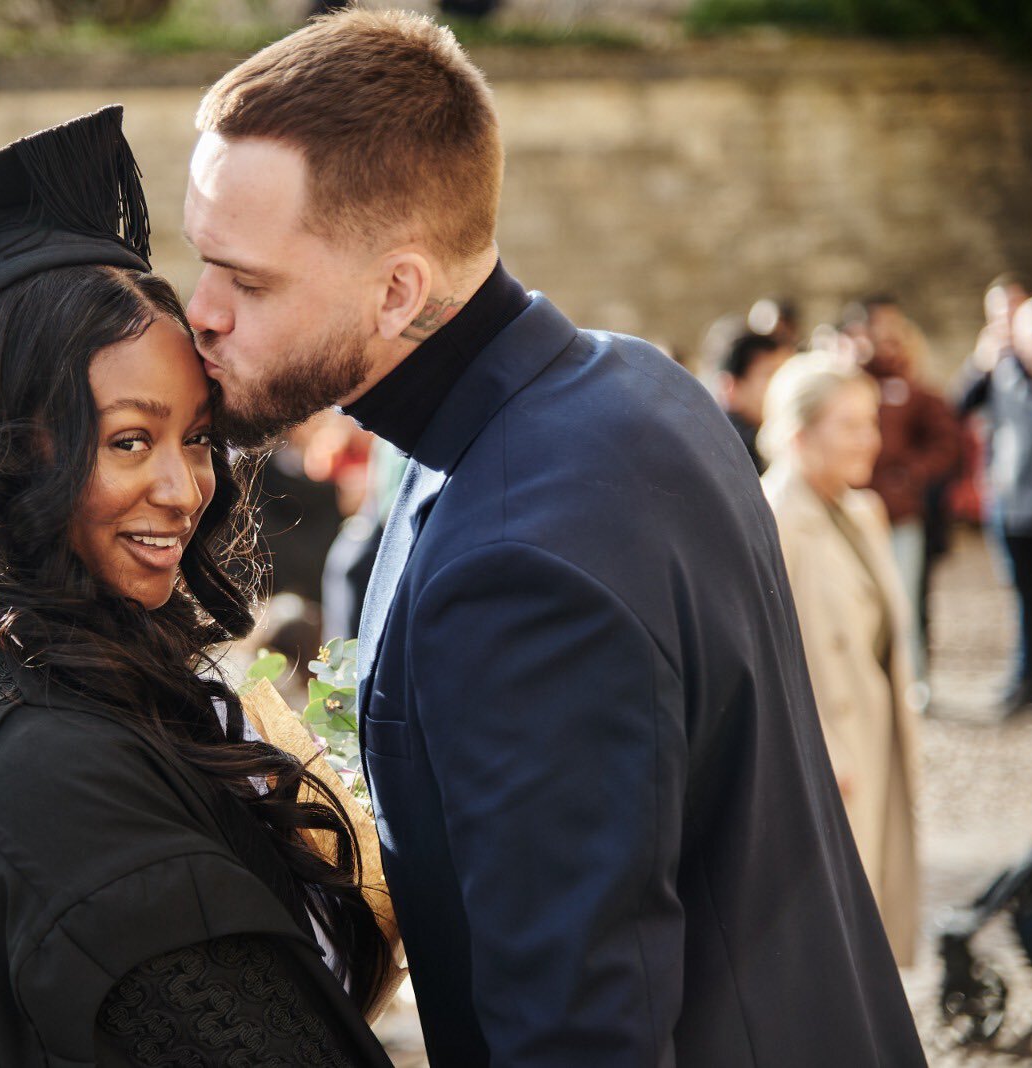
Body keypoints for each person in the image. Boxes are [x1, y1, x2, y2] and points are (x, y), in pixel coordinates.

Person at [184, 11, 924, 1064]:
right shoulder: (631, 384)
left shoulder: (516, 563)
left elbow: (579, 1028)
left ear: (398, 290)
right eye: (203, 260)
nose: (200, 311)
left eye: (245, 281)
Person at [0, 107, 396, 1066]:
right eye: (127, 440)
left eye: (195, 436)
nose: (184, 489)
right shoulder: (60, 786)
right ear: (2, 453)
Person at [760, 353, 921, 965]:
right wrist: (819, 743)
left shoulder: (863, 510)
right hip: (824, 759)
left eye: (871, 422)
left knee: (866, 927)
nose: (870, 440)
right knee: (822, 944)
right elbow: (767, 653)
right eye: (850, 425)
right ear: (799, 433)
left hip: (874, 738)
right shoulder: (771, 517)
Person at [958, 295, 1032, 712]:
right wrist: (978, 362)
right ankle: (1028, 677)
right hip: (1014, 508)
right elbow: (958, 405)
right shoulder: (999, 374)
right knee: (1024, 597)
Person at [858, 295, 961, 697]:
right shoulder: (853, 385)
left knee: (904, 597)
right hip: (861, 511)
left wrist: (913, 474)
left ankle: (911, 679)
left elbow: (946, 442)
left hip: (901, 513)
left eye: (893, 339)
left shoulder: (918, 394)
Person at [716, 330, 790, 474]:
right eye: (769, 374)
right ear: (732, 386)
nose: (782, 384)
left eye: (785, 372)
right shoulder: (729, 449)